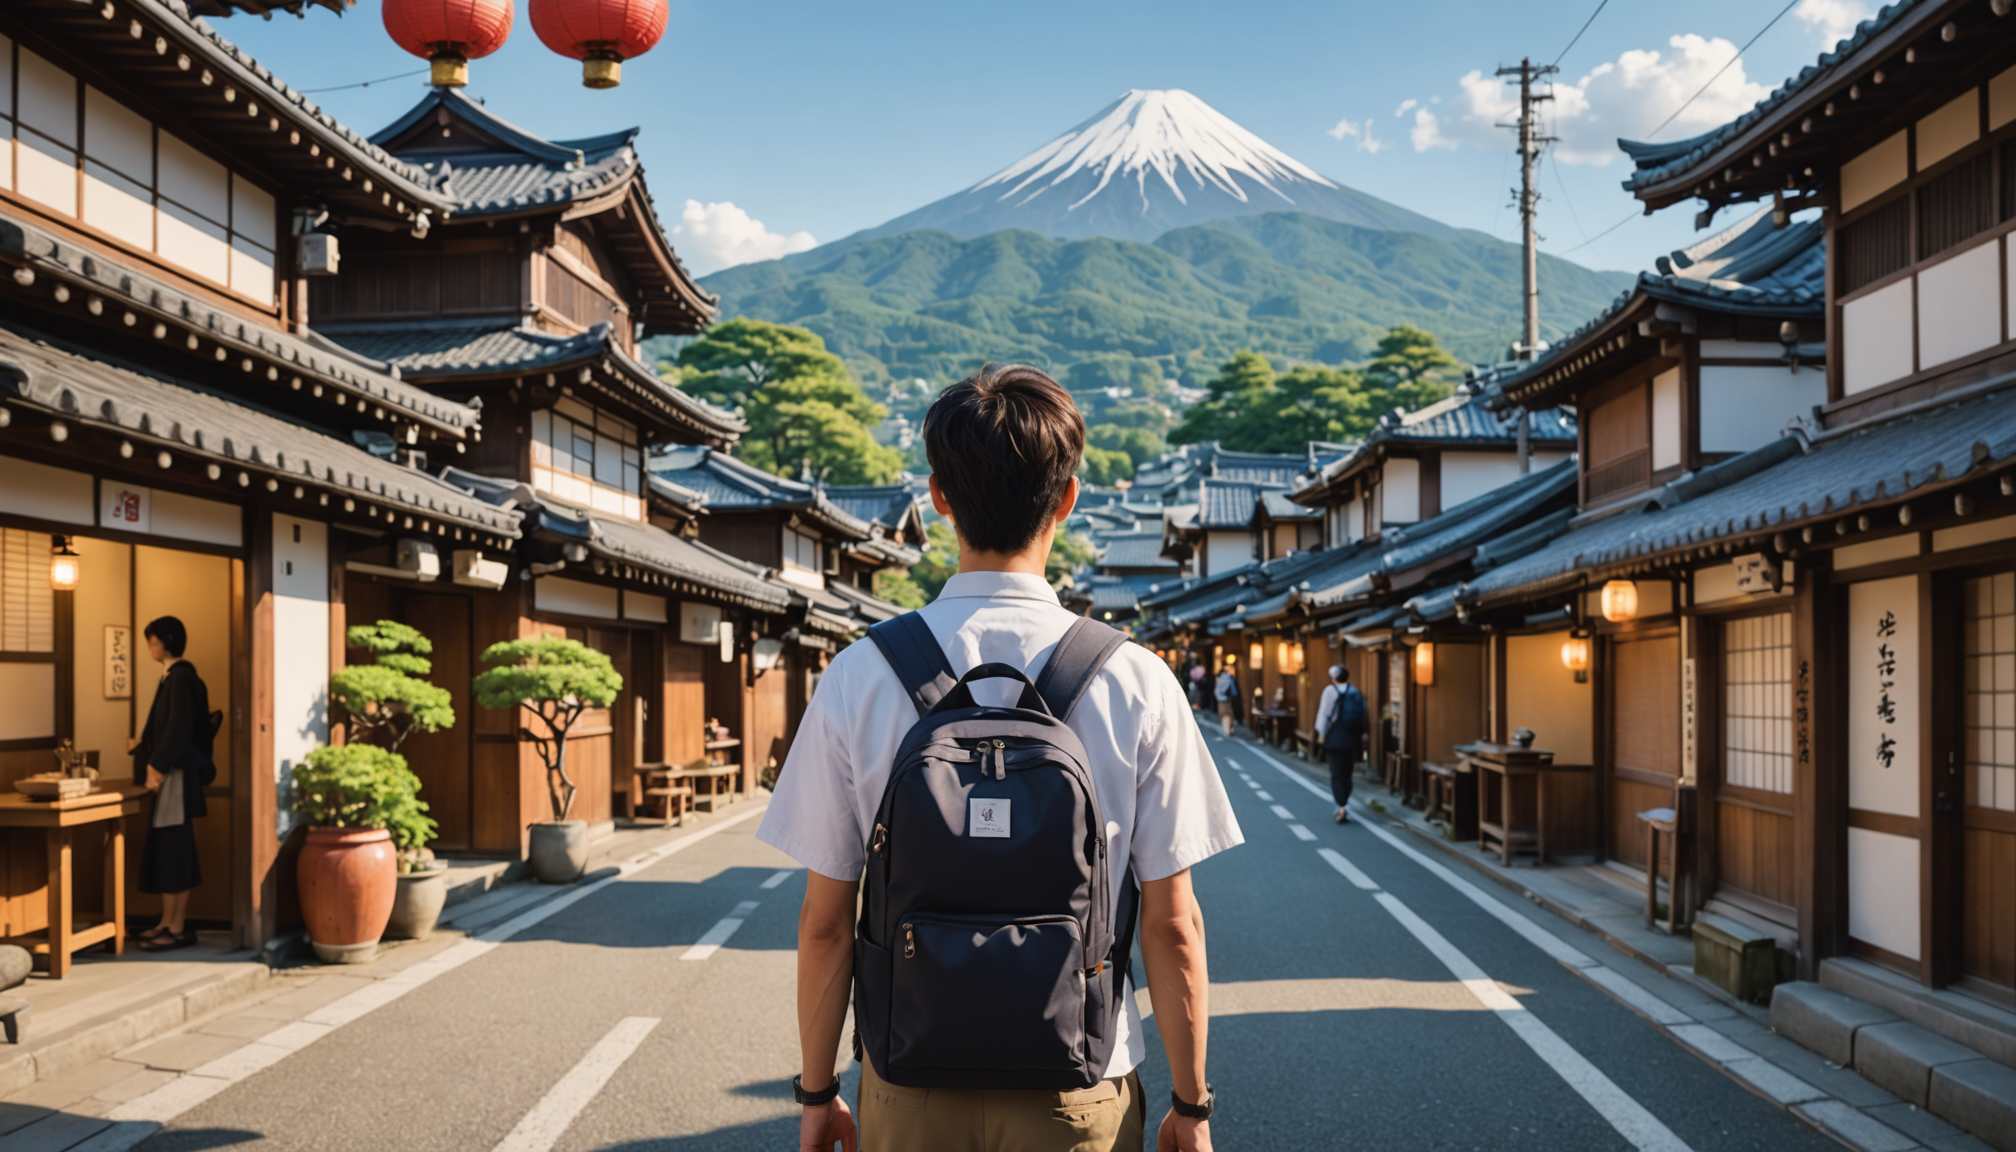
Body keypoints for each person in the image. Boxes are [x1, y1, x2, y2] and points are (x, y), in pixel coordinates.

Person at [761, 363, 1241, 1152]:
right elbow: (1174, 924)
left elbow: (824, 926)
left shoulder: (859, 674)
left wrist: (818, 1092)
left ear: (938, 496)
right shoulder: (1138, 679)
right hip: (1080, 1084)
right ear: (1069, 499)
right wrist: (1192, 1106)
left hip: (907, 1081)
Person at [125, 616, 213, 952]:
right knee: (170, 849)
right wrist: (142, 747)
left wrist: (156, 765)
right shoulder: (173, 678)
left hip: (174, 778)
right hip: (170, 777)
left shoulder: (181, 678)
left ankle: (176, 926)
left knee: (175, 851)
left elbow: (177, 731)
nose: (151, 646)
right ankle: (167, 921)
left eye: (154, 640)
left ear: (168, 641)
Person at [1313, 664, 1368, 824]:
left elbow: (1323, 714)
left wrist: (1320, 735)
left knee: (1336, 774)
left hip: (1334, 738)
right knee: (1347, 774)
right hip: (1351, 739)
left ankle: (1340, 807)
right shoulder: (1355, 692)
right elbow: (1363, 716)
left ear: (1334, 677)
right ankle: (1344, 804)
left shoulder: (1330, 691)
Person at [1214, 662, 1238, 738]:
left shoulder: (1218, 679)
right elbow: (1234, 691)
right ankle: (1229, 730)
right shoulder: (1230, 678)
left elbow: (1216, 691)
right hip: (1228, 699)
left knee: (1223, 714)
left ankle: (1226, 730)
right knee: (1229, 714)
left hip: (1221, 699)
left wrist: (1218, 697)